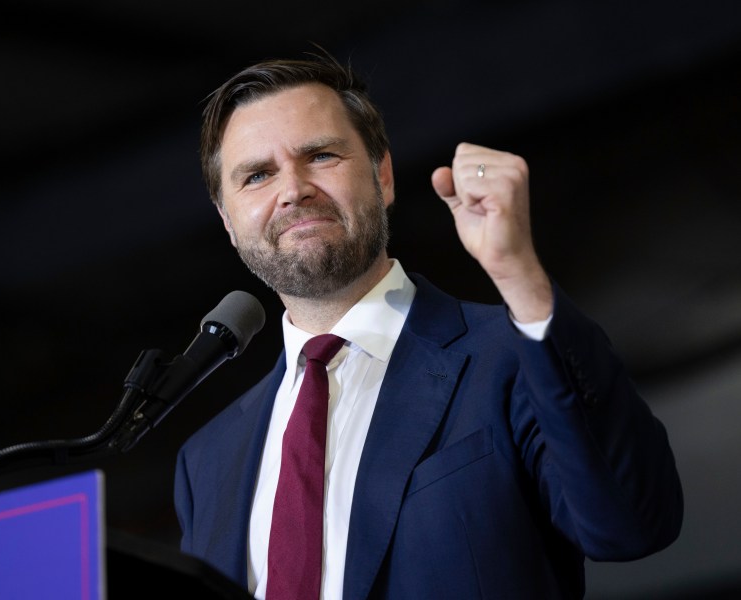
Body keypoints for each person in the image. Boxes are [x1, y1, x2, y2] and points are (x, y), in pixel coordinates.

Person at [172, 48, 683, 600]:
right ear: (228, 220)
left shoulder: (509, 356)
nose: (293, 189)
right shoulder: (206, 462)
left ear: (383, 175)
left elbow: (631, 523)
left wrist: (521, 279)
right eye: (257, 175)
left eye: (320, 155)